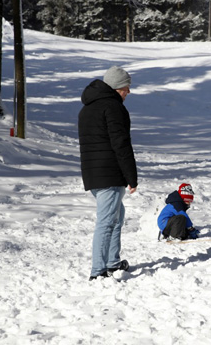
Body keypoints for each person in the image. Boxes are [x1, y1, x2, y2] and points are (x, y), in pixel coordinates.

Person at [78, 66, 138, 281]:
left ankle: (112, 261)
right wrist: (131, 176)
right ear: (116, 87)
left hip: (94, 174)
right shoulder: (113, 108)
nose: (128, 92)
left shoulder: (87, 107)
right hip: (110, 173)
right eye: (126, 88)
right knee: (106, 221)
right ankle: (98, 270)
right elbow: (121, 144)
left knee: (117, 216)